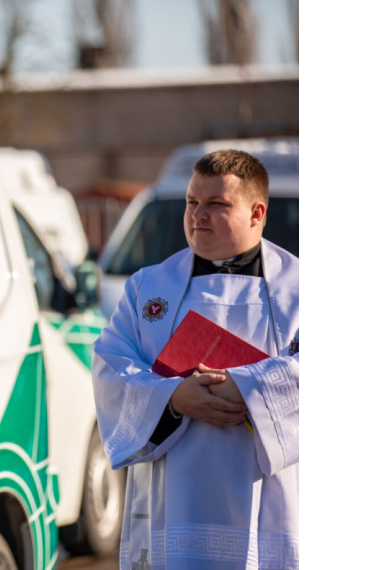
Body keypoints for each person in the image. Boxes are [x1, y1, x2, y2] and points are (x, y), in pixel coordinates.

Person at [92, 149, 299, 569]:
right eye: (192, 202)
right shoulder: (147, 287)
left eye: (216, 204)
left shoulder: (302, 289)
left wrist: (248, 388)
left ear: (257, 213)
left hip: (268, 497)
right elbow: (110, 367)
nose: (197, 215)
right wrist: (172, 398)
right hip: (174, 501)